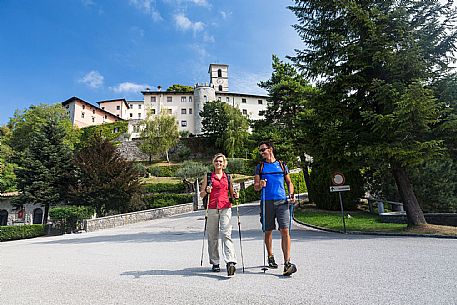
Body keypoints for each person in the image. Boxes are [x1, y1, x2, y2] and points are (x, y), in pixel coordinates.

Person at [254, 141, 297, 276]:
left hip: (282, 201)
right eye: (260, 151)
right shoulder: (260, 167)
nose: (261, 153)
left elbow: (289, 183)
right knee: (268, 231)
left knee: (285, 230)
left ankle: (287, 262)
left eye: (263, 150)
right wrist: (260, 184)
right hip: (266, 201)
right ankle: (271, 256)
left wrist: (291, 194)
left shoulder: (282, 165)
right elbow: (255, 187)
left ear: (270, 149)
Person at [200, 153, 238, 276]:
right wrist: (206, 191)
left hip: (225, 207)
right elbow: (201, 194)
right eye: (217, 161)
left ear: (224, 164)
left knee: (226, 234)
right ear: (214, 163)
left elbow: (232, 193)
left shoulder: (228, 176)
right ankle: (215, 262)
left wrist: (236, 195)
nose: (218, 163)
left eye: (221, 162)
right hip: (211, 208)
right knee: (213, 236)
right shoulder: (208, 176)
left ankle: (230, 262)